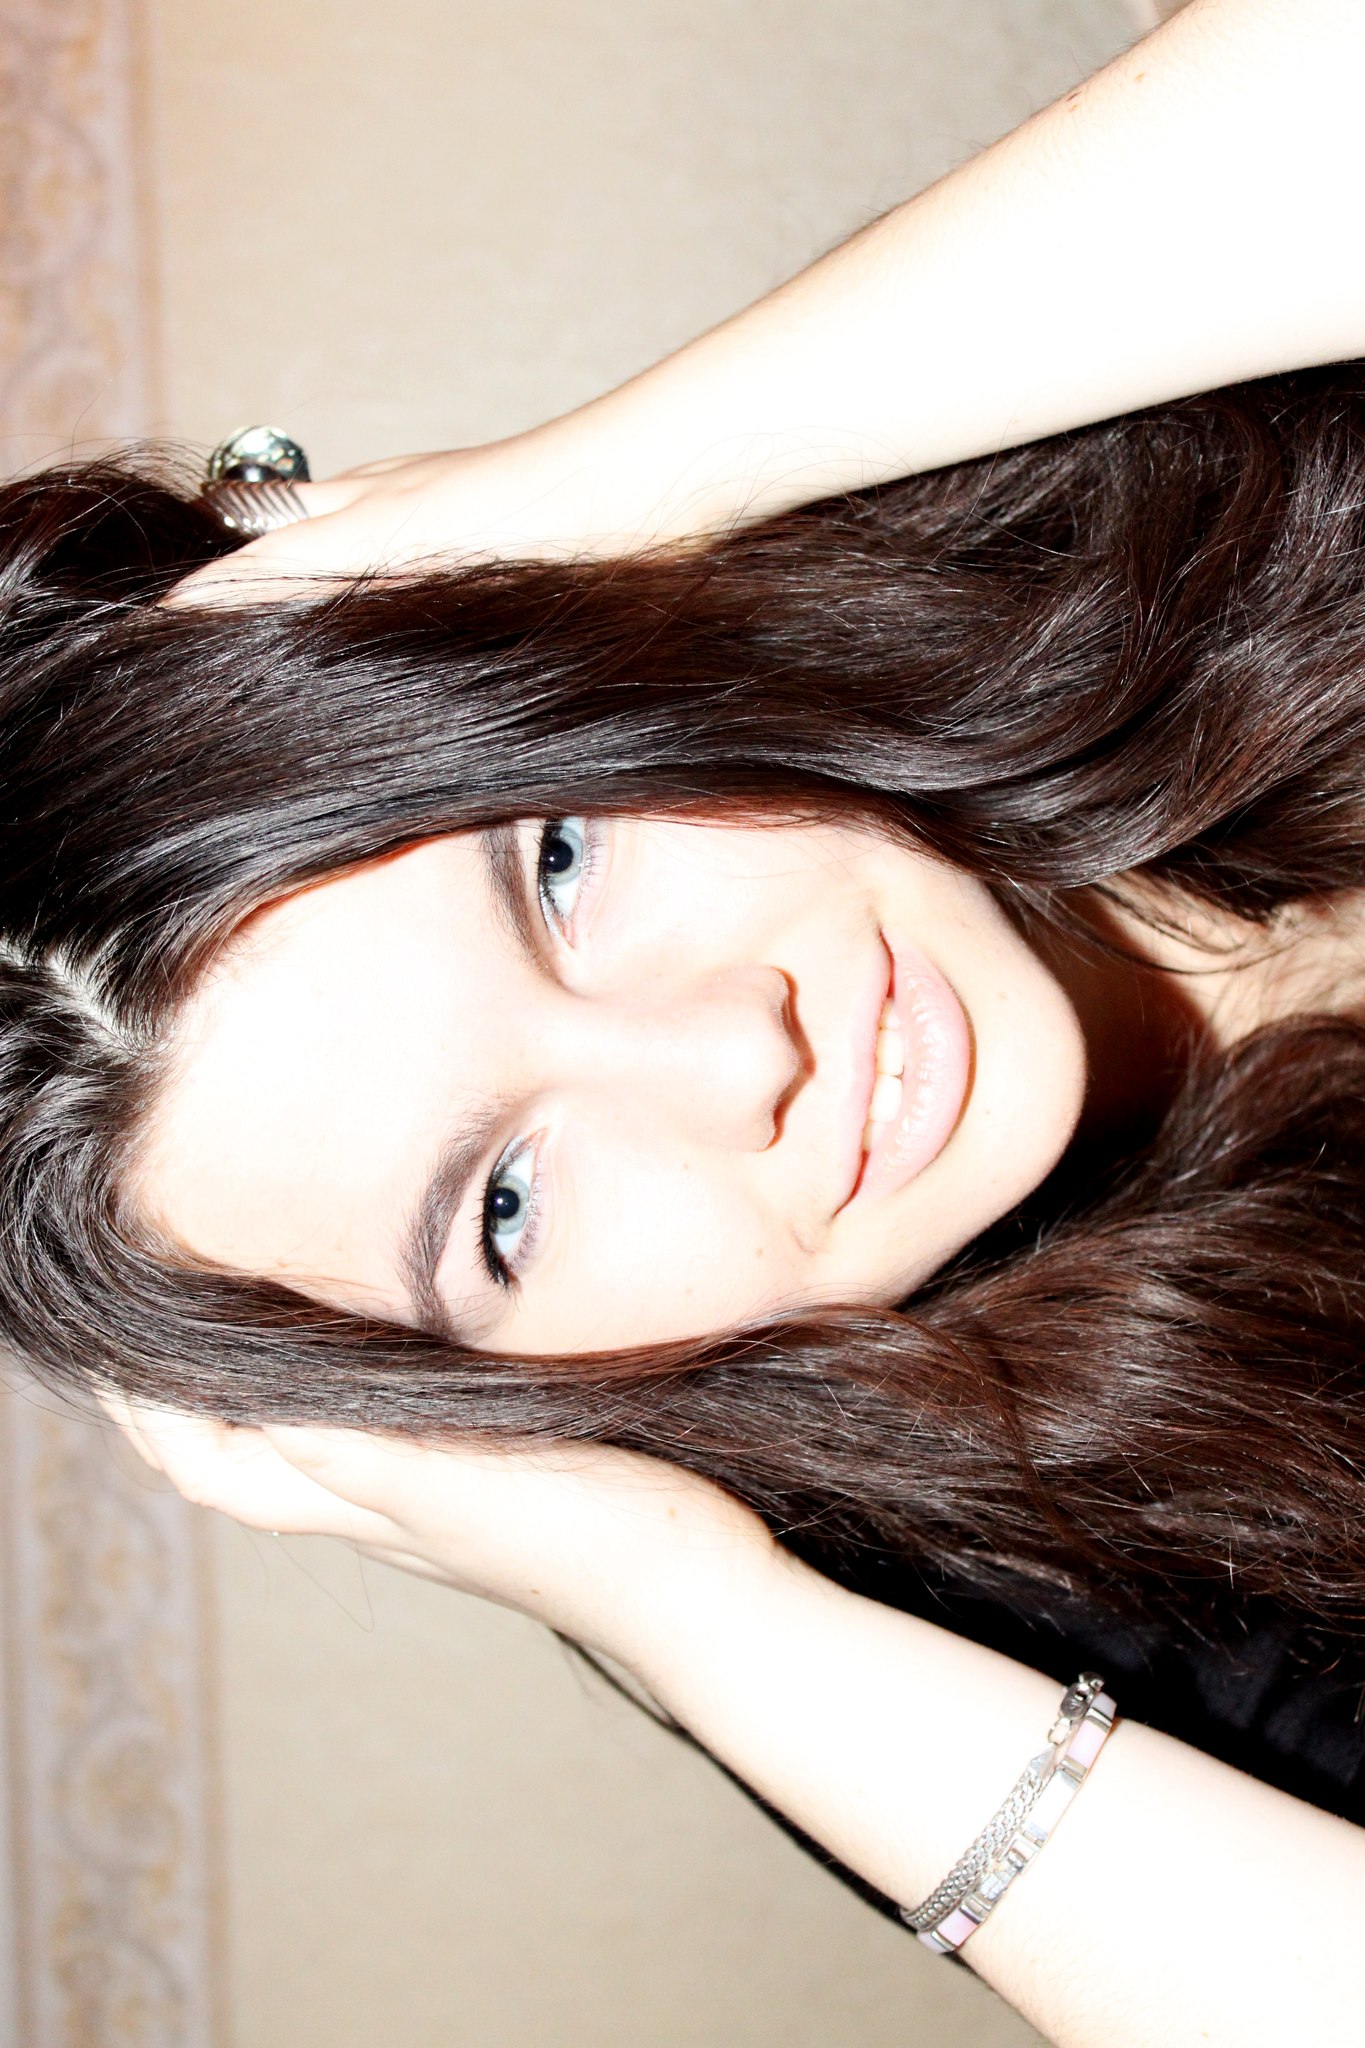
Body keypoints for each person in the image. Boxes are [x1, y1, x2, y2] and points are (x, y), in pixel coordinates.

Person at [7, 0, 1365, 2038]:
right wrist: (703, 1618)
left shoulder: (1112, 426)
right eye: (505, 1209)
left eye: (558, 861)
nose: (741, 1057)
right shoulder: (1035, 1582)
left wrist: (576, 494)